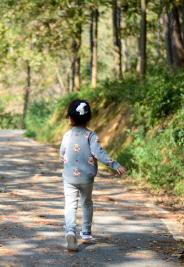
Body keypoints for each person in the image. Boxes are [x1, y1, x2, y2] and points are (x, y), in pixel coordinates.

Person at [59, 99, 127, 252]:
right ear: (89, 118)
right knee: (87, 203)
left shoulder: (67, 135)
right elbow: (99, 153)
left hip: (69, 177)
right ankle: (86, 232)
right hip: (87, 178)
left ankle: (70, 230)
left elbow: (62, 153)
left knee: (70, 204)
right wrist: (115, 165)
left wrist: (67, 160)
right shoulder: (91, 136)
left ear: (70, 118)